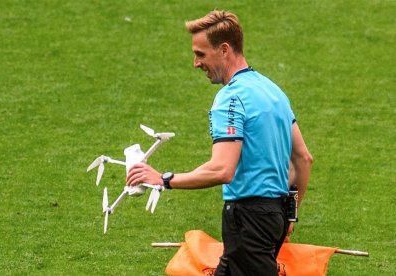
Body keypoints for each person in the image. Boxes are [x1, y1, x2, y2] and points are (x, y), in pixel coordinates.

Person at [126, 10, 313, 276]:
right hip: (271, 217)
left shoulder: (230, 98)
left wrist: (164, 179)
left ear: (224, 50)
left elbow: (222, 169)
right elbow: (303, 159)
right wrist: (288, 216)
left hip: (248, 221)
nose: (195, 63)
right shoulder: (274, 92)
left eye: (200, 54)